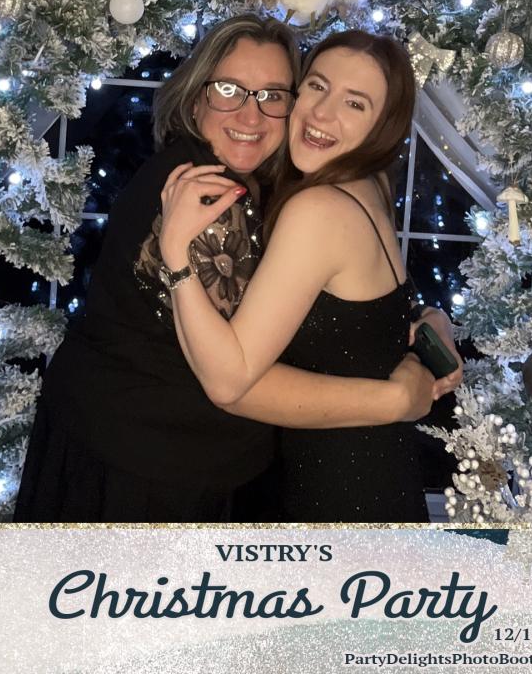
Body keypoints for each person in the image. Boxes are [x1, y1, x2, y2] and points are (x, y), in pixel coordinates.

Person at [14, 16, 455, 523]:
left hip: (274, 471)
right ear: (194, 98)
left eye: (272, 95)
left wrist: (427, 318)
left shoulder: (318, 187)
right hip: (139, 465)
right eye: (229, 90)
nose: (252, 114)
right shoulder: (209, 196)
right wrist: (393, 400)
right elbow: (233, 380)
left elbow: (351, 293)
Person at [159, 29, 463, 523]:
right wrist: (434, 319)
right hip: (378, 475)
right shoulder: (370, 184)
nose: (321, 113)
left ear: (383, 125)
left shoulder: (319, 209)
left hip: (337, 491)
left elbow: (226, 382)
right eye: (317, 86)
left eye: (355, 103)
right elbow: (375, 311)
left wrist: (175, 253)